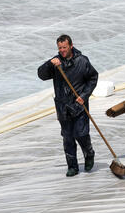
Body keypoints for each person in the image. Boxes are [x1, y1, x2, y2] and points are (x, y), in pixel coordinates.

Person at [38, 35, 99, 177]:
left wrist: (84, 96)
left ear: (71, 46)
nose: (62, 50)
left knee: (81, 134)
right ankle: (72, 166)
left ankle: (89, 153)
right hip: (63, 107)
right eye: (60, 48)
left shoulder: (82, 61)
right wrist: (49, 64)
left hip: (78, 105)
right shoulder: (56, 62)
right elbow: (41, 74)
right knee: (68, 138)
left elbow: (93, 78)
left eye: (64, 47)